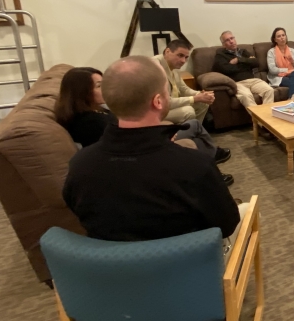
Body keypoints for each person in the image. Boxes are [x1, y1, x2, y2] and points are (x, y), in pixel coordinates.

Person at [63, 55, 245, 251]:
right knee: (246, 212)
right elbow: (226, 224)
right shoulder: (194, 165)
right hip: (187, 269)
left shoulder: (79, 165)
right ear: (158, 101)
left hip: (115, 272)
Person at [54, 67, 234, 186]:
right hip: (144, 149)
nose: (106, 89)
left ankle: (212, 160)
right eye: (100, 85)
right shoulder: (90, 123)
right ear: (81, 91)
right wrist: (158, 136)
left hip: (142, 141)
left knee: (193, 127)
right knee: (194, 136)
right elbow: (123, 147)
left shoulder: (94, 111)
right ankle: (212, 168)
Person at [214, 30, 275, 138]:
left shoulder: (243, 51)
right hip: (237, 83)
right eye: (227, 40)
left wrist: (238, 60)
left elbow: (256, 63)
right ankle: (262, 125)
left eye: (232, 38)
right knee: (246, 96)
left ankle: (267, 122)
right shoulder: (220, 55)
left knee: (269, 90)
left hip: (253, 80)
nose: (231, 41)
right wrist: (246, 62)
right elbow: (226, 69)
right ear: (224, 44)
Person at [152, 39, 212, 125]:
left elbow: (184, 89)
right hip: (156, 111)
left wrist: (201, 95)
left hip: (169, 106)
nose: (183, 61)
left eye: (186, 57)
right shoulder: (156, 67)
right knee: (188, 111)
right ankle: (184, 135)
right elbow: (165, 102)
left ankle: (193, 131)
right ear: (167, 51)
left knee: (203, 103)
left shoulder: (173, 66)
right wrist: (194, 98)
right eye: (180, 55)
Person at [266, 27, 294, 100]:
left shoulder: (293, 51)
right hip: (278, 77)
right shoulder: (271, 52)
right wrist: (287, 70)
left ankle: (292, 99)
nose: (282, 38)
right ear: (275, 40)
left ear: (286, 37)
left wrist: (293, 62)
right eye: (279, 36)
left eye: (283, 35)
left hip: (293, 75)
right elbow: (272, 70)